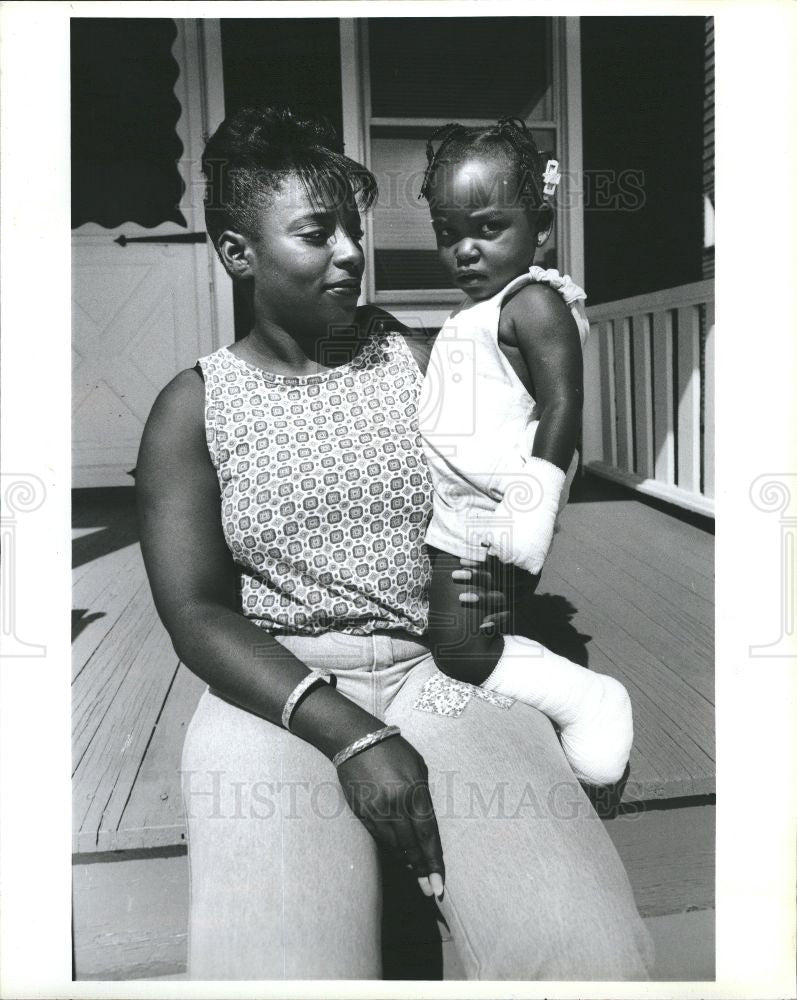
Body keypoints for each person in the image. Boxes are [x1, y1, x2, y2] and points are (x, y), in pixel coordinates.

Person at [136, 106, 653, 980]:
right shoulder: (193, 406)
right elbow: (194, 613)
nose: (349, 252)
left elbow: (501, 489)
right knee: (283, 971)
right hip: (277, 694)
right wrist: (351, 734)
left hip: (441, 671)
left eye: (353, 229)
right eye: (314, 233)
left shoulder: (423, 360)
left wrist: (491, 590)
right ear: (237, 254)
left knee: (583, 954)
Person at [417, 119, 634, 787]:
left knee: (458, 641)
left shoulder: (532, 302)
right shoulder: (476, 315)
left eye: (486, 228)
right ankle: (508, 678)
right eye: (448, 233)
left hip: (498, 516)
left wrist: (531, 514)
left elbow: (562, 405)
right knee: (459, 628)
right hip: (454, 508)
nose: (465, 251)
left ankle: (587, 699)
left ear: (538, 225)